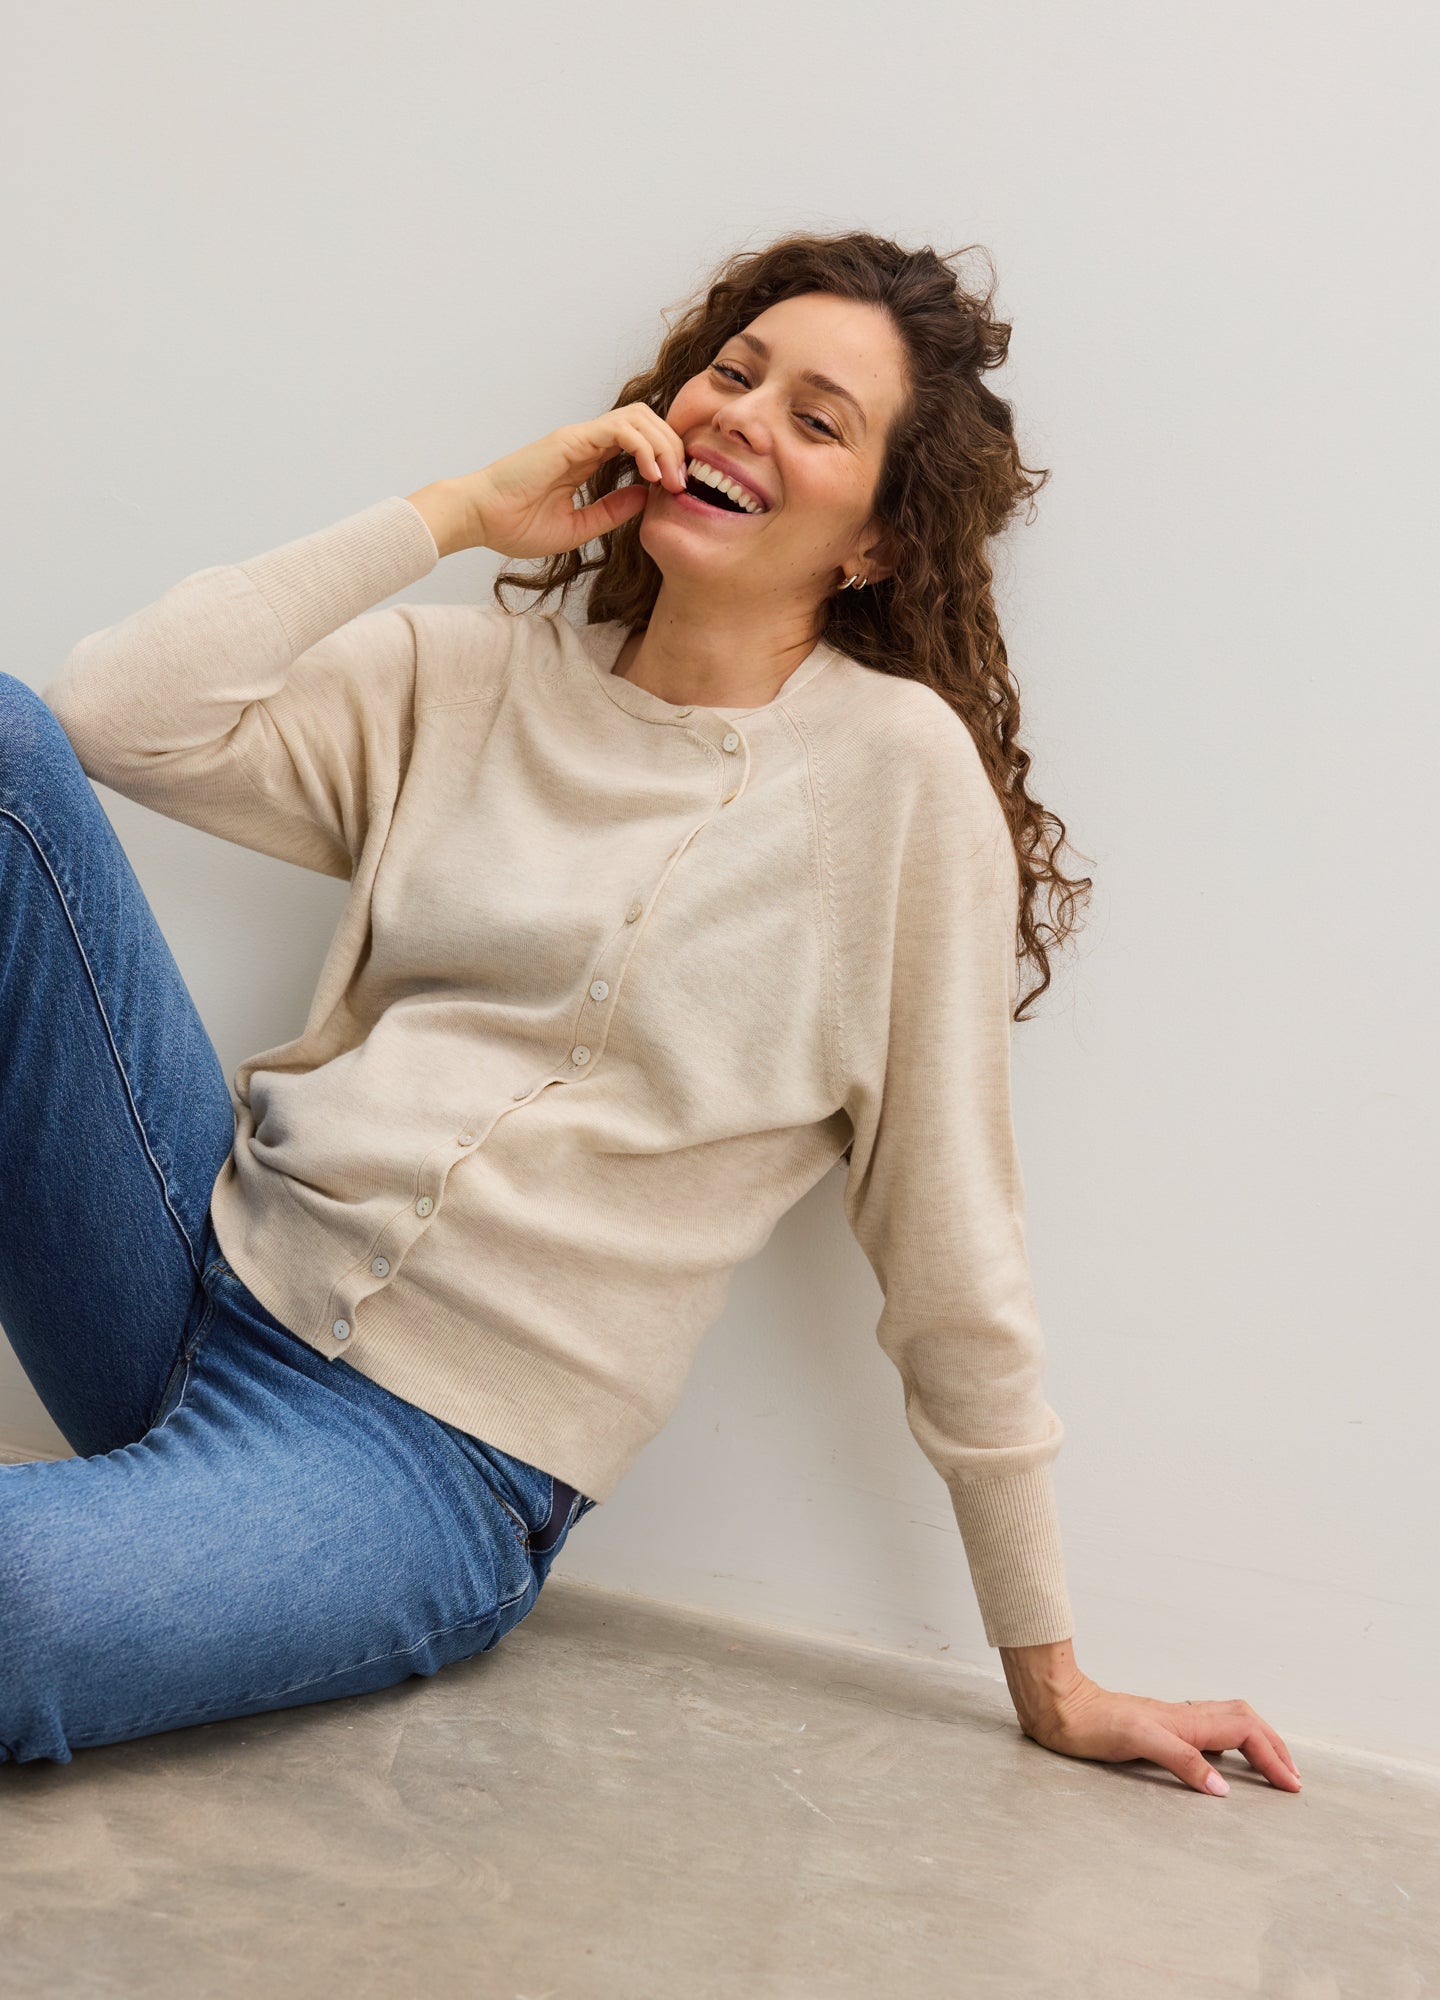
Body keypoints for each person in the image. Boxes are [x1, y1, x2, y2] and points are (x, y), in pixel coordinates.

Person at [0, 228, 1300, 1796]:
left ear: (877, 544)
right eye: (736, 373)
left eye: (819, 420)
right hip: (193, 1266)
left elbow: (949, 1235)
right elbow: (107, 719)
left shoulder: (896, 783)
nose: (747, 413)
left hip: (412, 1464)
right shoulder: (471, 677)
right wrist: (457, 513)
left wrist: (1054, 1668)